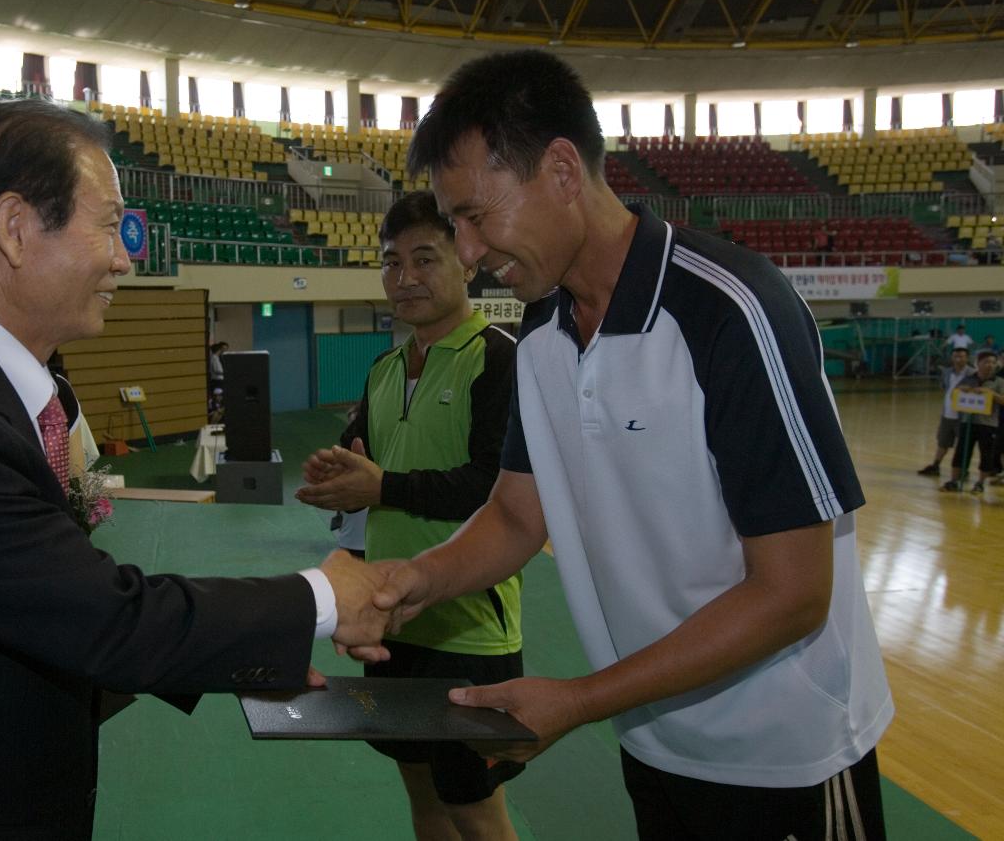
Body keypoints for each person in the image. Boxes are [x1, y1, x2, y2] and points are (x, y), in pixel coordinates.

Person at [0, 99, 389, 840]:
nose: (126, 257)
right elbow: (102, 617)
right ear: (15, 228)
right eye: (109, 224)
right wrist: (321, 598)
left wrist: (238, 652)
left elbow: (43, 617)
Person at [354, 50, 893, 841]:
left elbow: (793, 592)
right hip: (655, 742)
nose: (467, 251)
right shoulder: (540, 332)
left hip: (788, 756)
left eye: (474, 216)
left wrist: (580, 699)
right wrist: (412, 581)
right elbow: (515, 514)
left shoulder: (732, 312)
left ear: (563, 171)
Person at [296, 191, 522, 840]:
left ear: (466, 265)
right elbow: (367, 467)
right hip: (391, 620)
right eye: (392, 263)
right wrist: (341, 476)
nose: (406, 278)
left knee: (477, 810)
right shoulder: (383, 369)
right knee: (421, 794)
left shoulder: (499, 360)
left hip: (470, 628)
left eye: (425, 259)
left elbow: (493, 489)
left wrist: (382, 484)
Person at [941, 349, 1004, 493]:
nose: (990, 365)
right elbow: (953, 396)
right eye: (986, 362)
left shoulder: (999, 382)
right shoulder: (969, 378)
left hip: (988, 424)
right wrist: (962, 390)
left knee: (986, 454)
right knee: (961, 452)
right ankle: (954, 481)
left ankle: (980, 483)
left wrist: (991, 394)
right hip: (967, 421)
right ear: (978, 363)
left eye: (993, 362)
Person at [917, 346, 972, 477]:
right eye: (956, 356)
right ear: (952, 358)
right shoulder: (947, 372)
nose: (958, 359)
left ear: (967, 358)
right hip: (947, 414)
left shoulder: (972, 373)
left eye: (962, 356)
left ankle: (963, 469)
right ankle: (936, 465)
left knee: (963, 445)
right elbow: (945, 388)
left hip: (964, 416)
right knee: (942, 442)